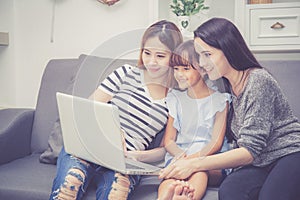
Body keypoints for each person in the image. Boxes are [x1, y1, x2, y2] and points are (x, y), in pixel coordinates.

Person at [159, 17, 300, 200]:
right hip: (259, 163)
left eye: (207, 54)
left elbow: (250, 150)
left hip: (288, 154)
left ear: (228, 49)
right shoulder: (225, 86)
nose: (201, 62)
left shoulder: (258, 81)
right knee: (230, 191)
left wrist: (194, 164)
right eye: (199, 55)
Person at [49, 20, 183, 200]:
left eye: (160, 56)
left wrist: (137, 156)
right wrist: (112, 130)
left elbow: (165, 148)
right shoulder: (126, 73)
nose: (151, 61)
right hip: (90, 147)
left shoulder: (176, 98)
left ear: (174, 57)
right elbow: (88, 110)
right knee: (68, 188)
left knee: (115, 194)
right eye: (147, 53)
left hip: (125, 162)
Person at [157, 40, 231, 200]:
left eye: (185, 68)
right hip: (180, 157)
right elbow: (169, 141)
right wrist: (181, 158)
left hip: (209, 161)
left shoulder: (220, 100)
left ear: (203, 69)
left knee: (199, 170)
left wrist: (190, 162)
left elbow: (216, 143)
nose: (179, 74)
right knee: (169, 179)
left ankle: (188, 197)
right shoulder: (175, 98)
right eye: (176, 69)